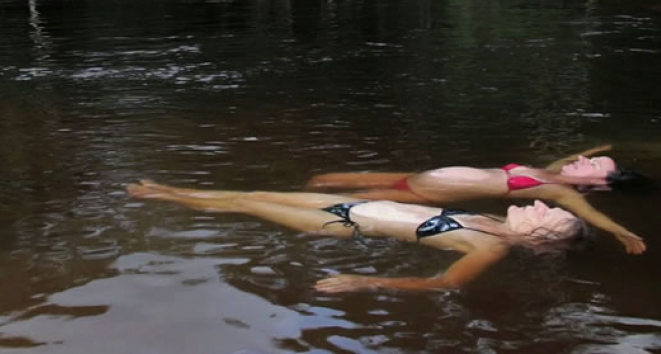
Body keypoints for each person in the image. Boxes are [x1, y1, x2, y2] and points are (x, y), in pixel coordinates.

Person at [127, 180, 588, 293]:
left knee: (246, 204)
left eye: (545, 213)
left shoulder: (491, 246)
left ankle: (161, 198)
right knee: (251, 192)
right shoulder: (492, 220)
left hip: (343, 222)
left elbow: (443, 285)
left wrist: (366, 282)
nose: (539, 204)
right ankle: (167, 189)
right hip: (353, 205)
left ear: (540, 240)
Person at [305, 144, 648, 254]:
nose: (583, 163)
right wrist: (596, 149)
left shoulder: (556, 190)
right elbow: (572, 157)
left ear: (600, 182)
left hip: (427, 191)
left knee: (338, 199)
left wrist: (621, 232)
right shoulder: (552, 171)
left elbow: (587, 212)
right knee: (322, 179)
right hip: (416, 177)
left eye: (593, 165)